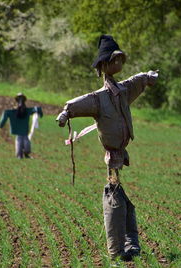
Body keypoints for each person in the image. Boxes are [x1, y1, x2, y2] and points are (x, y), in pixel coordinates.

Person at [56, 35, 158, 261]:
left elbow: (135, 81)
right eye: (114, 61)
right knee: (114, 196)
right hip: (112, 153)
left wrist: (148, 78)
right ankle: (117, 250)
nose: (119, 66)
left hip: (122, 150)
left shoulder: (123, 91)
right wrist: (66, 113)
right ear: (104, 65)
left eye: (121, 61)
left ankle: (131, 244)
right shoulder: (100, 98)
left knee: (121, 198)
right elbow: (79, 102)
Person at [0, 93, 43, 159]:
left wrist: (39, 112)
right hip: (21, 132)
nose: (21, 101)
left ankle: (25, 154)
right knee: (21, 141)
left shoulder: (25, 111)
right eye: (19, 99)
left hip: (24, 132)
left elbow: (37, 109)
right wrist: (1, 124)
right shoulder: (15, 111)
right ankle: (20, 155)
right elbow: (6, 113)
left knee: (26, 143)